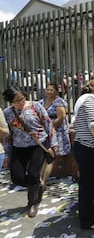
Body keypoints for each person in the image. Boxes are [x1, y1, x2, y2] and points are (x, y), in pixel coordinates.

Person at [2, 86, 56, 217]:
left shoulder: (35, 106)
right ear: (10, 101)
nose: (21, 102)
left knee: (33, 173)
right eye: (17, 100)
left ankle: (32, 202)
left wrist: (53, 144)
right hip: (18, 147)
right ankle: (37, 184)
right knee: (17, 177)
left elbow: (48, 123)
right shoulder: (8, 113)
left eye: (22, 98)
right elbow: (8, 136)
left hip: (37, 145)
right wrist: (7, 155)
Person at [72, 79, 94, 230]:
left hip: (83, 145)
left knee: (89, 181)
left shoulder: (83, 100)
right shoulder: (89, 101)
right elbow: (93, 125)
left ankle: (92, 208)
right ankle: (87, 219)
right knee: (87, 184)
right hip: (87, 147)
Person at [39, 83, 71, 189]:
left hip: (57, 131)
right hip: (45, 131)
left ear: (56, 91)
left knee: (53, 155)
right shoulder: (41, 102)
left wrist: (50, 127)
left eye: (51, 90)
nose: (48, 92)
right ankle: (43, 178)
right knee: (47, 154)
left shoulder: (59, 102)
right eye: (47, 89)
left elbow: (61, 117)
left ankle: (44, 179)